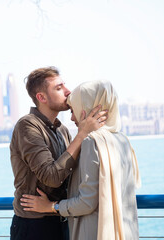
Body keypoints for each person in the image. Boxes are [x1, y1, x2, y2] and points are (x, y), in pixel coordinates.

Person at [20, 80, 142, 240]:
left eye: (73, 109)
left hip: (94, 232)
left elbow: (86, 202)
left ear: (86, 108)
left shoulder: (92, 142)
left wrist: (50, 206)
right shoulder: (122, 139)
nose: (71, 118)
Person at [10, 67, 108, 240]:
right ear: (41, 97)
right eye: (58, 88)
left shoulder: (62, 130)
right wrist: (82, 134)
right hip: (34, 225)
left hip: (60, 218)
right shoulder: (27, 126)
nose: (68, 91)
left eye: (65, 85)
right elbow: (52, 177)